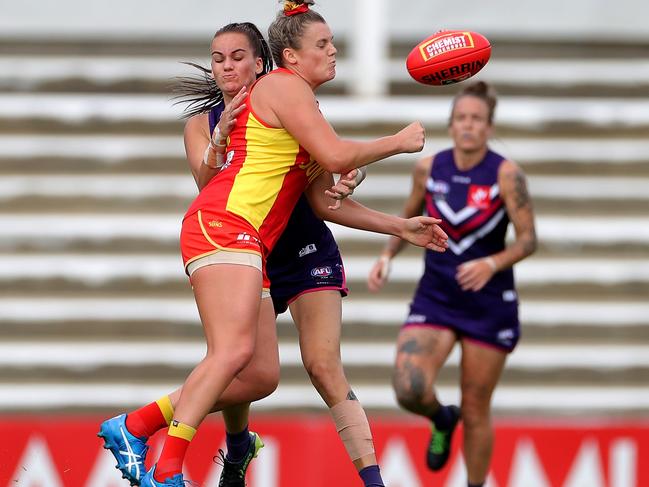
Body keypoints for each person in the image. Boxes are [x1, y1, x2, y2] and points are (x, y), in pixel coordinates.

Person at [98, 3, 448, 486]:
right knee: (232, 352)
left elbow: (323, 195)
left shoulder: (288, 97)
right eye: (322, 44)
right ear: (289, 55)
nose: (333, 51)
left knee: (259, 373)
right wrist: (397, 140)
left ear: (259, 61)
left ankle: (147, 430)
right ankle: (167, 466)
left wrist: (399, 225)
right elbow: (327, 155)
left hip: (265, 239)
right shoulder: (278, 89)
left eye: (237, 56)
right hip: (230, 226)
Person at [367, 80, 537, 487]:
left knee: (476, 406)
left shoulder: (506, 174)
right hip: (438, 296)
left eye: (477, 119)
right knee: (408, 387)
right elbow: (409, 221)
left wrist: (492, 263)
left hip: (489, 301)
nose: (468, 125)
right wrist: (387, 255)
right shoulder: (428, 167)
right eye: (461, 118)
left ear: (489, 126)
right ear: (450, 124)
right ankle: (441, 419)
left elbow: (528, 239)